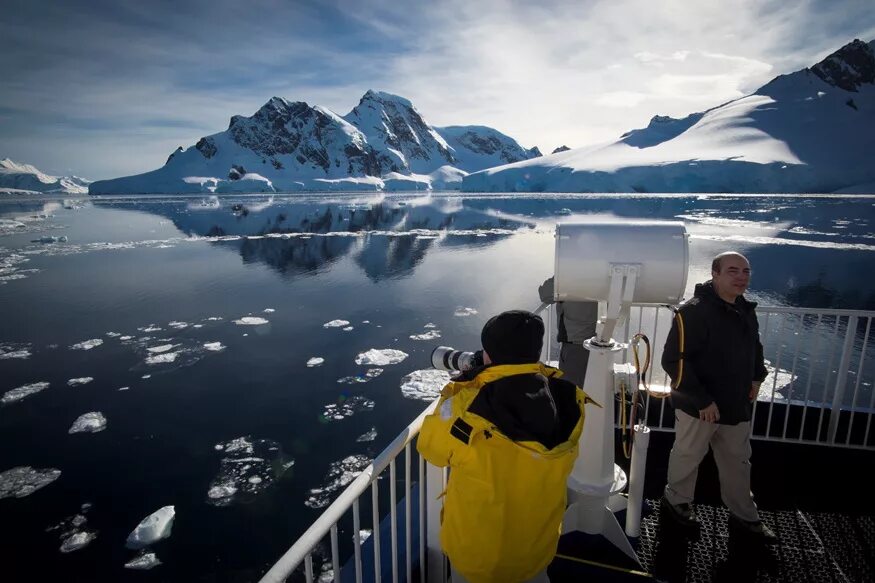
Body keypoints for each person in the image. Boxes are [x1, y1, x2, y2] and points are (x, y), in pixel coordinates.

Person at [417, 310, 595, 583]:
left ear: (488, 355)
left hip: (479, 557)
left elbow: (431, 449)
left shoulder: (467, 410)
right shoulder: (567, 397)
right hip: (537, 547)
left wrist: (458, 390)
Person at [661, 251, 777, 543]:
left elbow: (755, 347)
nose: (741, 277)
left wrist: (756, 376)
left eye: (746, 271)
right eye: (733, 271)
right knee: (688, 456)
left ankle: (745, 517)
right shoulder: (693, 313)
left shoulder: (744, 310)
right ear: (715, 274)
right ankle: (677, 504)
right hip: (698, 406)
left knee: (738, 461)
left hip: (735, 403)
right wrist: (702, 400)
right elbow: (674, 361)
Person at [538, 276, 599, 387]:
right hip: (600, 342)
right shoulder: (600, 272)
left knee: (571, 390)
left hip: (575, 344)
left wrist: (559, 274)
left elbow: (545, 294)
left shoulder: (568, 275)